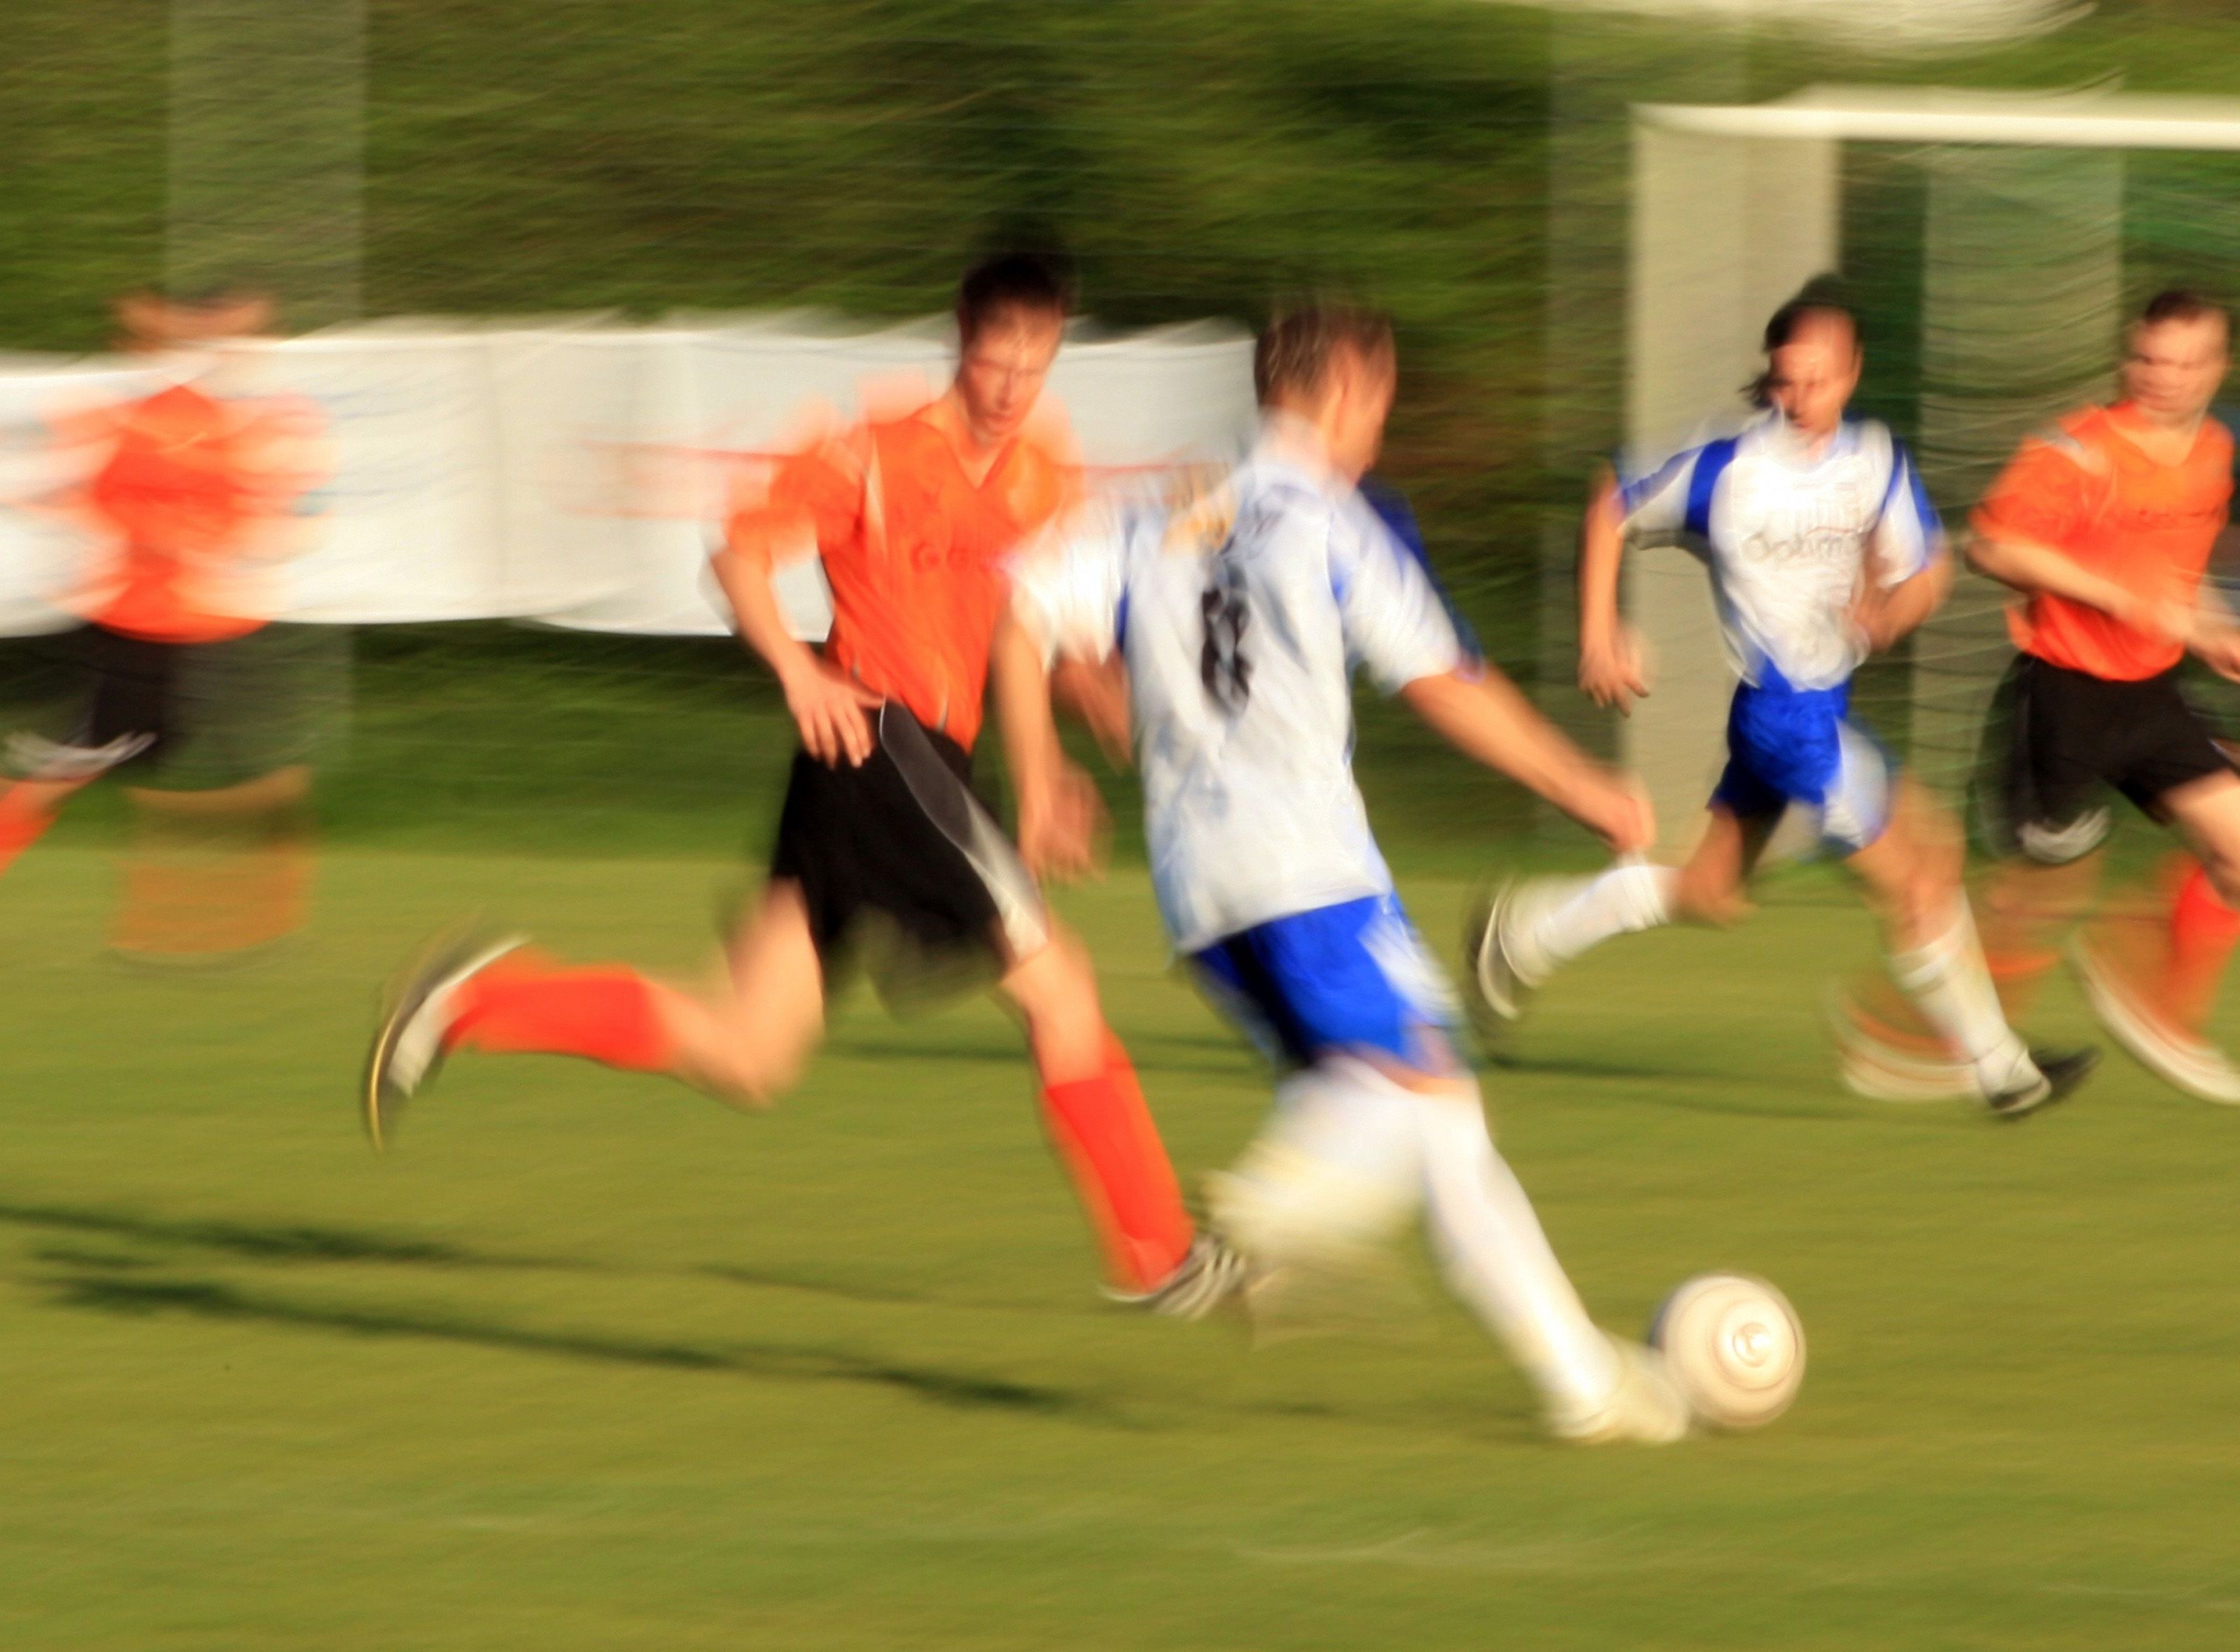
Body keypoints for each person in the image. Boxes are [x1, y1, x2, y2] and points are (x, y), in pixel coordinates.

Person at [363, 253, 1239, 1315]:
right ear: (961, 337)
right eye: (995, 355)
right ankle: (1158, 1250)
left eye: (1036, 361)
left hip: (903, 770)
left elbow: (1029, 630)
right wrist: (795, 669)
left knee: (748, 1049)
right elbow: (735, 560)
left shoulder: (1039, 478)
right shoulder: (868, 454)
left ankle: (478, 997)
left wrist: (1093, 689)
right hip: (878, 744)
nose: (1011, 384)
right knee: (1059, 982)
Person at [1000, 302, 1692, 1443]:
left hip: (1199, 889)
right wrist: (1587, 788)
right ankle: (1268, 1215)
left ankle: (1588, 1386)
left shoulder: (1162, 503)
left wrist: (1039, 771)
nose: (1380, 430)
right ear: (1343, 396)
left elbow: (1024, 611)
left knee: (1443, 1123)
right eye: (1381, 404)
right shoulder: (1336, 520)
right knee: (1412, 1094)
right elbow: (1444, 683)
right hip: (1310, 870)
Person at [1468, 281, 2093, 1116]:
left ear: (1853, 370)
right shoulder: (1727, 467)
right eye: (1785, 380)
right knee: (1917, 873)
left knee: (1710, 894)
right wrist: (1596, 632)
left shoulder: (1874, 460)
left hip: (1817, 709)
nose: (1800, 399)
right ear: (1768, 378)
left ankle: (1523, 934)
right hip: (1784, 719)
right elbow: (1609, 500)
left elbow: (1927, 571)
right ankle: (2002, 1075)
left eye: (1819, 379)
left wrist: (1884, 615)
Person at [1959, 288, 2240, 1102]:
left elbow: (2175, 582)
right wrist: (2114, 598)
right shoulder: (2077, 450)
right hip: (2061, 696)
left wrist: (2214, 628)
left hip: (2150, 693)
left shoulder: (2214, 451)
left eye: (2187, 362)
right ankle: (1929, 1028)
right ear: (2128, 359)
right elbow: (1991, 544)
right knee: (2035, 891)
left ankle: (2153, 1002)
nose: (2166, 377)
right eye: (2151, 358)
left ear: (2215, 367)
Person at [0, 286, 329, 956]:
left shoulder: (238, 420)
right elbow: (99, 499)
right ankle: (221, 914)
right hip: (143, 628)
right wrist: (172, 533)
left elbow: (255, 510)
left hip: (213, 627)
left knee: (223, 764)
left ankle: (246, 913)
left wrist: (252, 530)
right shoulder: (143, 418)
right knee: (88, 763)